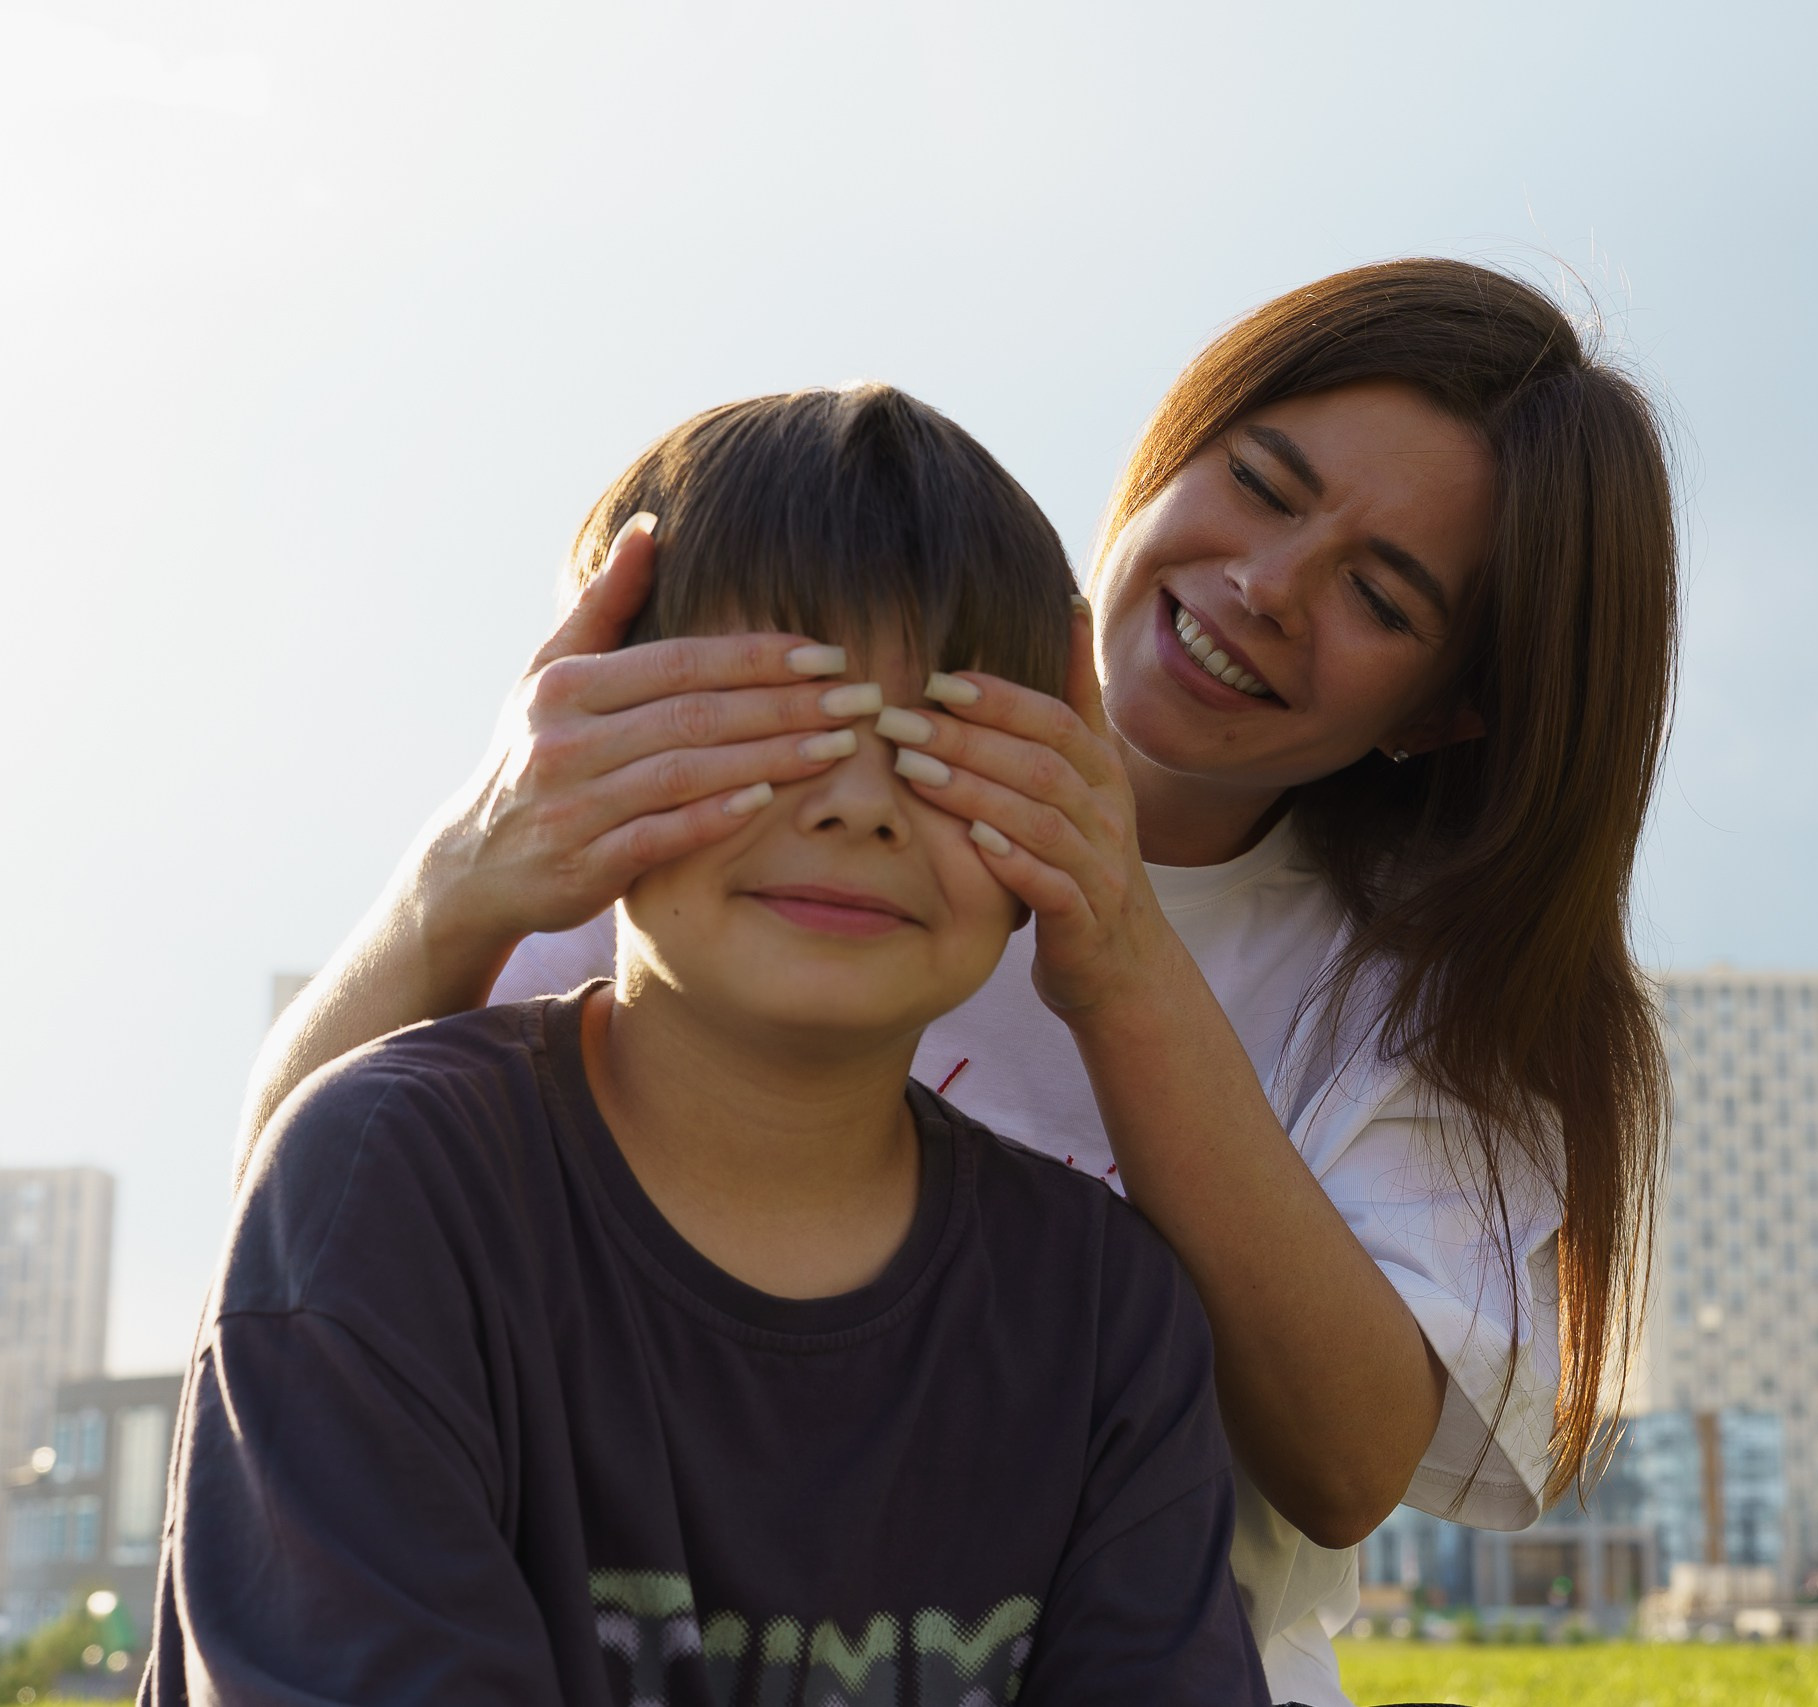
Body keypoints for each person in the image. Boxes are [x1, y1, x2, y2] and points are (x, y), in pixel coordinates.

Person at [246, 258, 1677, 1706]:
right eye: (1259, 481)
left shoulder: (1424, 1000)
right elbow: (305, 1227)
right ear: (1172, 446)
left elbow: (1346, 1462)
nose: (1265, 587)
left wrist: (1118, 961)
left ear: (1453, 706)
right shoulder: (755, 784)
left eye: (1379, 595)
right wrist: (461, 873)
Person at [151, 386, 1267, 1706]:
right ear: (582, 741)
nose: (859, 805)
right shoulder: (388, 1184)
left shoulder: (1105, 1310)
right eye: (778, 729)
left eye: (935, 748)